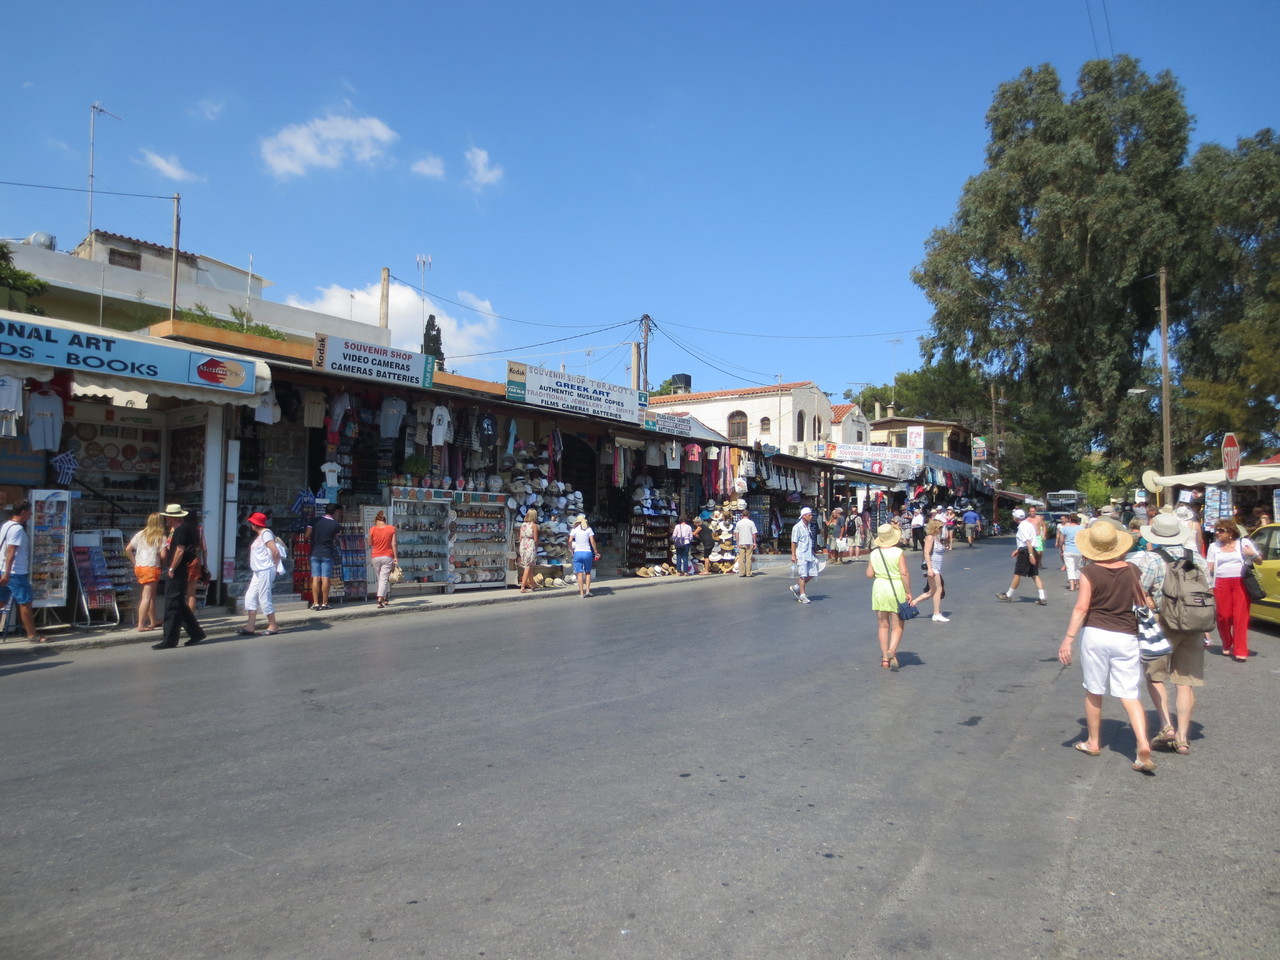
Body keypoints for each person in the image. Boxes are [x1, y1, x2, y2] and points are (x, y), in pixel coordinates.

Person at [1056, 521, 1156, 773]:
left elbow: (1081, 608)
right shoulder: (1132, 569)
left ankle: (1093, 741)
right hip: (1126, 635)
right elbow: (1144, 601)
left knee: (1094, 690)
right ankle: (1142, 743)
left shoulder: (1089, 572)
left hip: (1097, 634)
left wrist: (1068, 638)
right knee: (1129, 693)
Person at [1129, 513, 1212, 756]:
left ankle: (1166, 726)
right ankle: (1184, 738)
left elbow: (1138, 591)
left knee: (1156, 676)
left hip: (1161, 624)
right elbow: (1207, 589)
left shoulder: (1150, 559)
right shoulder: (1197, 558)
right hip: (1193, 624)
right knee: (1185, 682)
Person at [1206, 522, 1261, 662]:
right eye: (1216, 530)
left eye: (1221, 530)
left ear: (1231, 532)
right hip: (1221, 582)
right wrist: (1207, 585)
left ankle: (1240, 649)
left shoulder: (1243, 543)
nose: (1217, 533)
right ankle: (1227, 641)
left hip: (1240, 582)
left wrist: (1252, 555)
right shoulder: (1214, 547)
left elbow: (1259, 561)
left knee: (1240, 617)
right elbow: (1209, 568)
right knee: (1223, 616)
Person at [155, 504, 207, 649]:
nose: (165, 518)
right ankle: (196, 633)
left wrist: (172, 567)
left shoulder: (181, 530)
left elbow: (179, 551)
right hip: (177, 569)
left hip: (177, 570)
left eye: (167, 516)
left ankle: (169, 639)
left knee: (172, 604)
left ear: (172, 517)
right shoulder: (180, 529)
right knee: (178, 603)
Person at [0, 500, 49, 643]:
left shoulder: (6, 525)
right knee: (25, 603)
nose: (31, 514)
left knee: (1, 602)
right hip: (15, 572)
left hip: (3, 569)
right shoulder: (17, 529)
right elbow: (11, 551)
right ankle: (32, 635)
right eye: (29, 511)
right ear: (23, 512)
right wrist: (7, 573)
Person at [867, 522, 912, 670]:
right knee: (897, 625)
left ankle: (885, 659)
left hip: (879, 587)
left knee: (882, 625)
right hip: (895, 587)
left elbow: (869, 574)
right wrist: (908, 592)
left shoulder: (874, 553)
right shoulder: (898, 552)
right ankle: (892, 650)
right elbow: (904, 573)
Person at [240, 512, 282, 635]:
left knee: (264, 598)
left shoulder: (266, 533)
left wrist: (275, 566)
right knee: (250, 597)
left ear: (254, 524)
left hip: (265, 569)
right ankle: (250, 626)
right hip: (258, 570)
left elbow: (275, 551)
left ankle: (273, 625)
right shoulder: (260, 535)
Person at [996, 508, 1047, 605]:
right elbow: (1027, 541)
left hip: (1026, 552)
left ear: (1015, 518)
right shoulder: (1028, 524)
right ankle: (1042, 597)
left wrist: (1030, 555)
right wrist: (1018, 550)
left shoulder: (1022, 527)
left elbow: (1028, 541)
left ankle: (1008, 595)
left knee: (1017, 573)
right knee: (1034, 575)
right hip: (1030, 550)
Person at [125, 511, 166, 631]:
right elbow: (163, 555)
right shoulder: (160, 537)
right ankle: (141, 625)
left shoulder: (140, 534)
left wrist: (134, 562)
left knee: (151, 595)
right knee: (147, 596)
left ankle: (153, 621)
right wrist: (163, 561)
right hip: (152, 567)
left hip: (140, 567)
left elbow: (128, 549)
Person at [304, 503, 343, 611]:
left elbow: (306, 535)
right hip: (327, 553)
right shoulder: (336, 525)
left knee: (315, 578)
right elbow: (334, 538)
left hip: (315, 552)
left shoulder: (314, 521)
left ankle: (316, 603)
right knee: (326, 578)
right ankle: (325, 603)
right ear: (334, 512)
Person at [911, 518, 949, 622]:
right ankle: (936, 614)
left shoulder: (935, 538)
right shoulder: (929, 538)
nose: (941, 529)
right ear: (935, 527)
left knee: (932, 591)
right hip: (932, 566)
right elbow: (926, 553)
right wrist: (930, 569)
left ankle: (912, 603)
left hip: (936, 567)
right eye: (940, 527)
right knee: (938, 589)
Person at [368, 509, 398, 608]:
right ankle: (380, 600)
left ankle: (384, 598)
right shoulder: (391, 528)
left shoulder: (372, 529)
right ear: (385, 520)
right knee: (384, 579)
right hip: (387, 556)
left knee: (380, 578)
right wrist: (396, 557)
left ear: (377, 520)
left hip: (375, 556)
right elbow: (394, 544)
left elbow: (369, 543)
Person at [789, 506, 819, 603]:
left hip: (809, 554)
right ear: (804, 516)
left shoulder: (809, 526)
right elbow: (794, 542)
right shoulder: (797, 527)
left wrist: (813, 551)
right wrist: (793, 555)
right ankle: (802, 595)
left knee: (813, 573)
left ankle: (797, 587)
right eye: (809, 515)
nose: (811, 517)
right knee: (802, 575)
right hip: (801, 554)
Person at [570, 514, 600, 597]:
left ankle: (581, 593)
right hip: (587, 552)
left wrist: (571, 549)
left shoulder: (574, 530)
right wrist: (596, 551)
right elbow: (592, 541)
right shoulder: (589, 529)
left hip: (578, 552)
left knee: (579, 573)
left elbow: (569, 541)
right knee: (587, 572)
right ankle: (587, 591)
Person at [1057, 514, 1083, 591]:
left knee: (1070, 568)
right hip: (1079, 550)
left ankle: (1072, 586)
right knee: (1078, 568)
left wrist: (1061, 549)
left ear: (1070, 520)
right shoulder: (1081, 528)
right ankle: (1078, 584)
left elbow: (1061, 540)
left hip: (1068, 550)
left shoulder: (1065, 529)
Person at [517, 508, 539, 592]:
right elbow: (536, 539)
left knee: (529, 566)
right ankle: (522, 587)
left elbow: (520, 538)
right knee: (528, 566)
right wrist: (535, 547)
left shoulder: (523, 525)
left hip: (523, 545)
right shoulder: (534, 525)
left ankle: (532, 585)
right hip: (530, 544)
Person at [734, 509, 759, 577]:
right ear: (748, 515)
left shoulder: (739, 523)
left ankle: (742, 572)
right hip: (749, 542)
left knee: (741, 558)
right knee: (748, 558)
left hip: (741, 543)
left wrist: (737, 542)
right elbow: (754, 533)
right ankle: (748, 573)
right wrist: (754, 542)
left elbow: (736, 533)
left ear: (742, 515)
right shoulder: (751, 523)